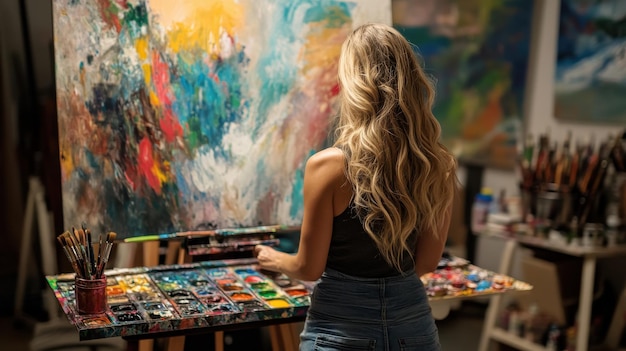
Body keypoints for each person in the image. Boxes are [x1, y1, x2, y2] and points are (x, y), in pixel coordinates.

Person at [254, 23, 457, 351]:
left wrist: (274, 259)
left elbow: (309, 267)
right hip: (414, 325)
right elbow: (426, 263)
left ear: (354, 83)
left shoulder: (329, 167)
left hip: (340, 327)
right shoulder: (438, 166)